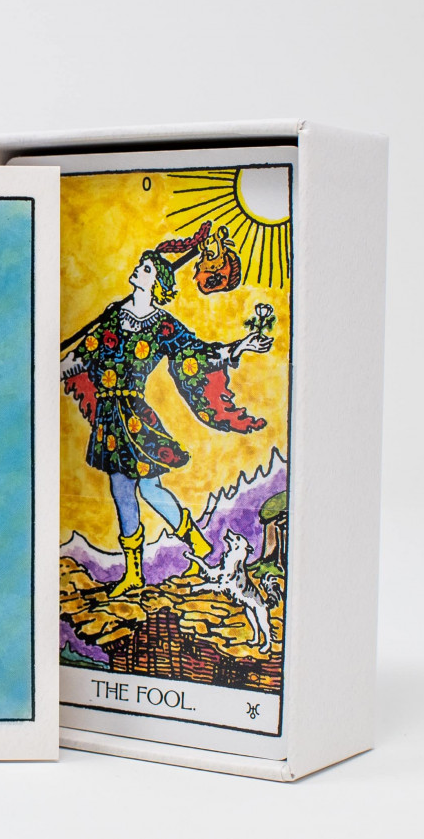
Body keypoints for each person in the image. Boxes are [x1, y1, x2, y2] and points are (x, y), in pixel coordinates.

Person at [60, 250, 271, 597]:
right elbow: (84, 357)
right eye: (140, 266)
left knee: (150, 489)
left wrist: (240, 346)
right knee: (121, 492)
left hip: (135, 417)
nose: (137, 270)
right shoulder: (114, 315)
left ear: (157, 283)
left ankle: (197, 544)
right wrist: (52, 367)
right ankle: (134, 573)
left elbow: (198, 353)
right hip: (109, 418)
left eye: (145, 269)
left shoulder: (163, 326)